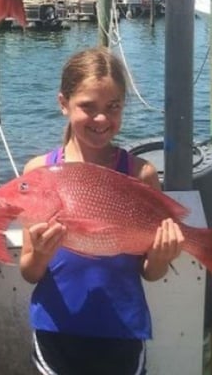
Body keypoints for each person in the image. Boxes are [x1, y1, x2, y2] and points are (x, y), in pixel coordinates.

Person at [19, 47, 185, 375]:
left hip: (122, 331)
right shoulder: (39, 173)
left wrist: (162, 257)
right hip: (56, 330)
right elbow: (29, 271)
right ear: (63, 103)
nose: (101, 119)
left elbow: (150, 272)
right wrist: (38, 254)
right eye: (87, 107)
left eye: (113, 107)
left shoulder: (141, 173)